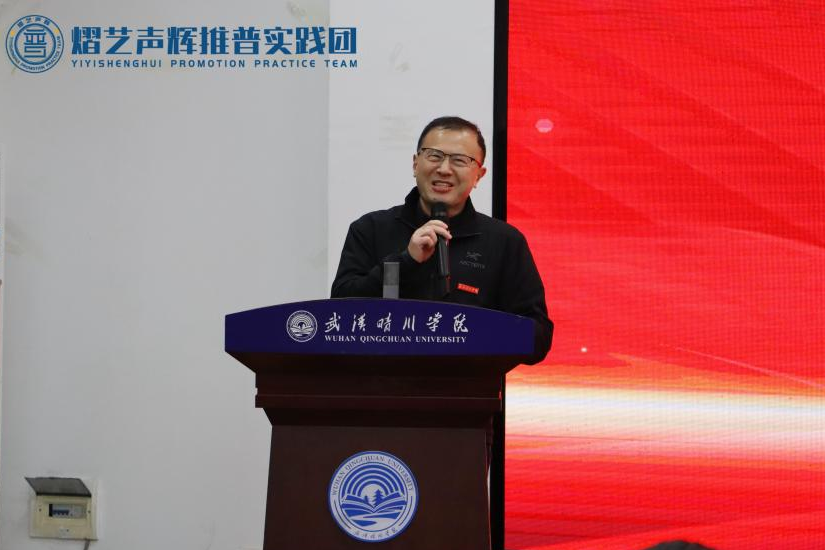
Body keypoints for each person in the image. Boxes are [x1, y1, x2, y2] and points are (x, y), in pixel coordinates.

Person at [331, 116, 552, 363]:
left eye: (459, 160)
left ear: (479, 175)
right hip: (381, 382)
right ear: (415, 164)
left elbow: (539, 338)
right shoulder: (370, 228)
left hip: (470, 384)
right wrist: (406, 262)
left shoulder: (505, 242)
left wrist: (477, 331)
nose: (444, 169)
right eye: (434, 156)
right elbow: (338, 315)